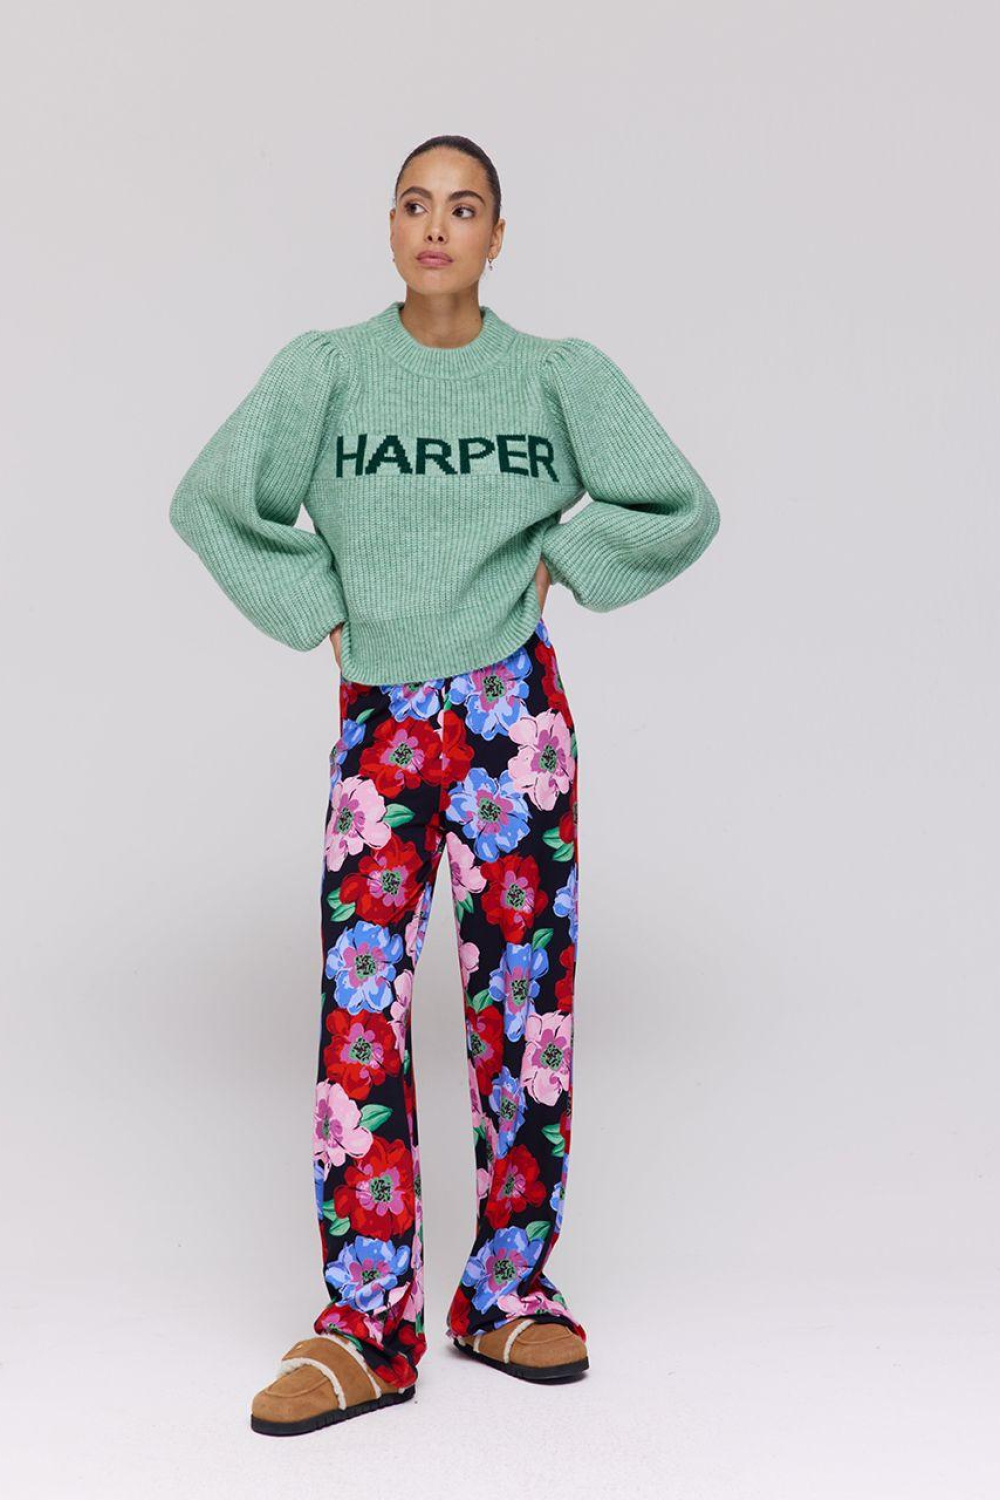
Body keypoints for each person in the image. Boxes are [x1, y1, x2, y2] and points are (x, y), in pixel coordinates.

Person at [169, 133, 720, 1437]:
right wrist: (322, 609)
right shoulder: (327, 372)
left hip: (514, 720)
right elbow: (212, 502)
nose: (436, 226)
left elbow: (677, 505)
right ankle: (367, 1324)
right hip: (386, 726)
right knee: (363, 1008)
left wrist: (564, 565)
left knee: (524, 1006)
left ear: (497, 236)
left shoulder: (554, 377)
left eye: (463, 207)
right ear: (390, 226)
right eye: (415, 204)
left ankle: (508, 1291)